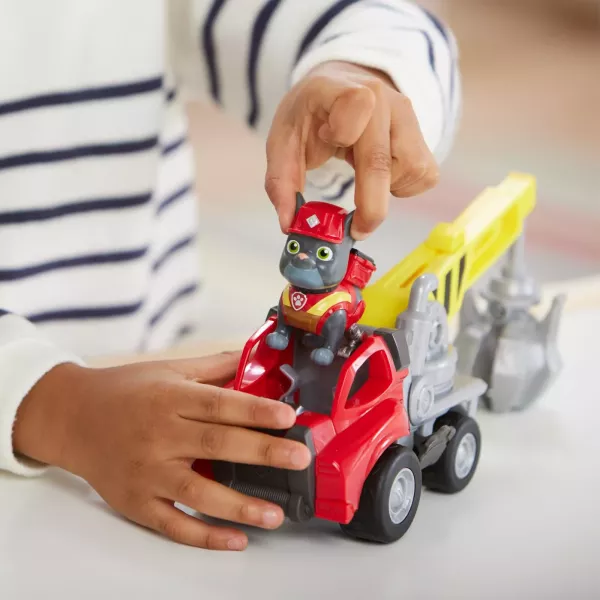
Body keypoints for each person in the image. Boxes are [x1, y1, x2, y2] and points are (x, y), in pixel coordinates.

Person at [0, 0, 459, 551]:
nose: (300, 261)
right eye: (298, 249)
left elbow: (385, 23)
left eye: (313, 252)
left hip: (155, 379)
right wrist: (59, 407)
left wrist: (362, 72)